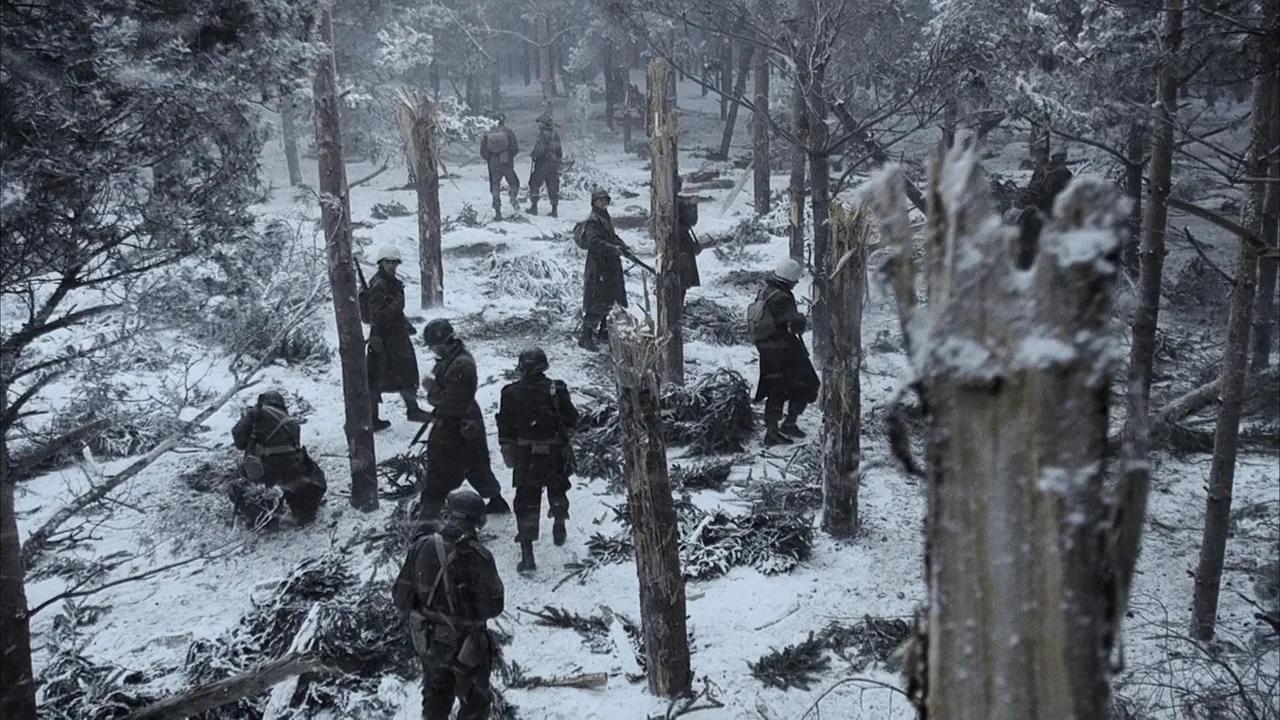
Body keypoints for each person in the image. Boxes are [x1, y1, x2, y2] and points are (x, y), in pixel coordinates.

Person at [393, 488, 504, 720]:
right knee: (475, 704)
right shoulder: (480, 556)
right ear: (477, 522)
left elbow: (401, 597)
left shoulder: (421, 546)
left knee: (435, 699)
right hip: (467, 645)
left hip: (429, 641)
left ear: (449, 515)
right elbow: (494, 607)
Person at [419, 319, 509, 525]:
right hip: (464, 421)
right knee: (475, 464)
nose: (432, 350)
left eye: (432, 345)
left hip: (457, 424)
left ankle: (427, 518)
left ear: (441, 343)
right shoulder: (453, 359)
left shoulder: (461, 365)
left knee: (440, 472)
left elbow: (451, 404)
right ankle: (495, 500)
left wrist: (431, 388)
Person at [496, 348, 578, 573]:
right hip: (553, 452)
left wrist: (509, 447)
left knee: (526, 500)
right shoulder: (557, 389)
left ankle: (527, 555)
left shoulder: (510, 392)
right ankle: (559, 522)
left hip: (526, 454)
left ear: (522, 368)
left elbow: (505, 426)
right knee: (558, 488)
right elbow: (572, 418)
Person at [749, 259, 820, 446]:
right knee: (809, 383)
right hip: (784, 349)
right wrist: (803, 319)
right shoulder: (783, 297)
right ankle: (788, 423)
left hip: (766, 348)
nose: (796, 285)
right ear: (790, 280)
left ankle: (773, 430)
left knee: (775, 388)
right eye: (796, 282)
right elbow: (794, 326)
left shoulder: (765, 291)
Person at [231, 391, 326, 524]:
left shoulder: (256, 413)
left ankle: (263, 518)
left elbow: (239, 441)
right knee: (297, 483)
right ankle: (303, 512)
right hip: (294, 469)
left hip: (265, 469)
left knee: (235, 483)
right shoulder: (292, 423)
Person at [367, 247, 429, 431]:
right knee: (376, 378)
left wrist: (404, 321)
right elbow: (376, 315)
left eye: (394, 262)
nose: (392, 266)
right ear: (381, 263)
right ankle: (372, 419)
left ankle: (412, 409)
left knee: (407, 373)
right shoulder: (379, 284)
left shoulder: (391, 282)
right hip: (383, 337)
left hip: (396, 335)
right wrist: (398, 305)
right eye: (388, 262)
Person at [578, 188, 633, 351]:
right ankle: (585, 337)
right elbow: (594, 242)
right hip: (599, 267)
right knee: (597, 302)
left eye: (605, 200)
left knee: (610, 299)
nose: (603, 203)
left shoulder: (604, 217)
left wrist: (623, 247)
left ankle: (604, 332)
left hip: (609, 266)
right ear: (594, 202)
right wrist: (613, 249)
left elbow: (611, 237)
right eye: (600, 200)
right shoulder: (593, 220)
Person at [1016, 150, 1074, 266]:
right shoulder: (1063, 173)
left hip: (1042, 210)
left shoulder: (1043, 170)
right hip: (1048, 212)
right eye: (1061, 157)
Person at [479, 114, 520, 220]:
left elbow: (483, 152)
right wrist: (509, 156)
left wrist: (491, 158)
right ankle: (513, 199)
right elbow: (515, 148)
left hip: (493, 163)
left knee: (495, 186)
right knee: (514, 182)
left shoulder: (487, 134)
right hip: (506, 162)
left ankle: (498, 212)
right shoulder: (508, 132)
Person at [527, 115, 562, 217]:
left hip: (543, 163)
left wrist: (534, 154)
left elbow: (540, 150)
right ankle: (554, 210)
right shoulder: (555, 135)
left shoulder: (543, 135)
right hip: (553, 164)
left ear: (544, 124)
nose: (538, 124)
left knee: (534, 183)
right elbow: (559, 151)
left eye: (540, 122)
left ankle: (534, 208)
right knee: (553, 186)